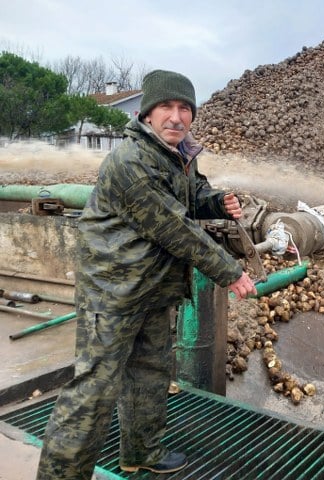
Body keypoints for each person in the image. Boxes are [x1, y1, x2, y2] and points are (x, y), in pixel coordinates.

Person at [36, 69, 256, 479]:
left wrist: (217, 202)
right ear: (146, 114)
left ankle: (141, 452)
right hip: (113, 293)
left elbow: (191, 196)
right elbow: (174, 228)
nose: (176, 117)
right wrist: (230, 272)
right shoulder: (130, 161)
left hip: (153, 290)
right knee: (94, 392)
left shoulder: (178, 154)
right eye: (166, 107)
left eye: (184, 108)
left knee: (151, 375)